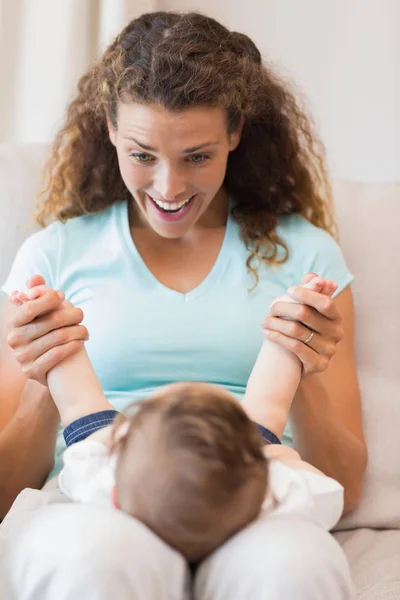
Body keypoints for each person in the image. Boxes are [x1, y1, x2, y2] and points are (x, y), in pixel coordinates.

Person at [0, 10, 366, 600]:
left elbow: (343, 484)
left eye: (197, 156)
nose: (168, 189)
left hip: (250, 485)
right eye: (144, 154)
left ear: (235, 133)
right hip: (106, 490)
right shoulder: (52, 256)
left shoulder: (308, 257)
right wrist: (48, 380)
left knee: (293, 570)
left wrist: (301, 370)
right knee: (89, 562)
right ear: (112, 129)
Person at [5, 277, 343, 566]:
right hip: (237, 471)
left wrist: (48, 331)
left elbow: (79, 407)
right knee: (267, 409)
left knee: (265, 410)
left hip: (198, 468)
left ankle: (52, 326)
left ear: (115, 501)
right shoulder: (261, 498)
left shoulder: (107, 482)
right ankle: (294, 317)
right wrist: (277, 458)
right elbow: (330, 492)